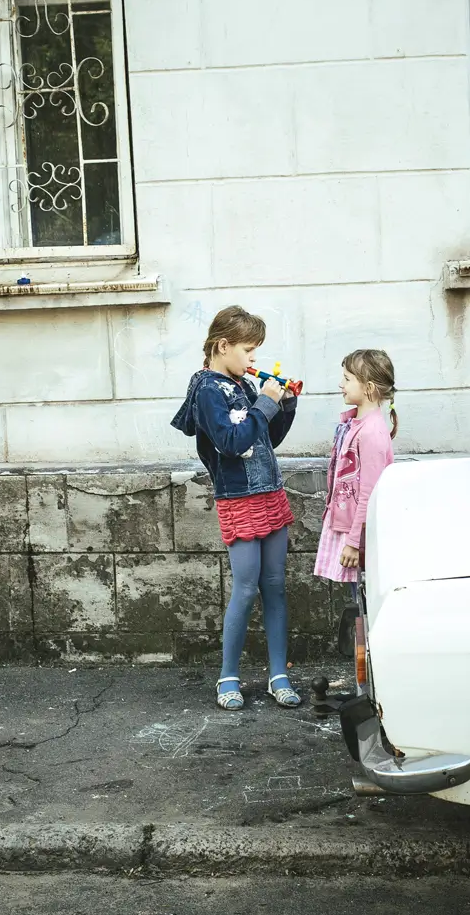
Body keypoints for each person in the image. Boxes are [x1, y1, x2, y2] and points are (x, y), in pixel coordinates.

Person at [170, 305, 301, 711]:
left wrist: (286, 404)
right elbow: (231, 441)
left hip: (270, 493)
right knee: (245, 589)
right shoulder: (208, 391)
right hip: (239, 499)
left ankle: (279, 673)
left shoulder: (243, 384)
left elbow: (267, 440)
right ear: (222, 346)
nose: (253, 359)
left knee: (275, 587)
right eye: (248, 350)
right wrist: (264, 402)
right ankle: (229, 676)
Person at [313, 350, 397, 589]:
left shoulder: (371, 433)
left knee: (364, 599)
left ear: (368, 387)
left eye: (348, 379)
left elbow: (369, 495)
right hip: (349, 527)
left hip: (358, 534)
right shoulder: (354, 425)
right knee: (356, 598)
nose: (342, 384)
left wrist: (353, 543)